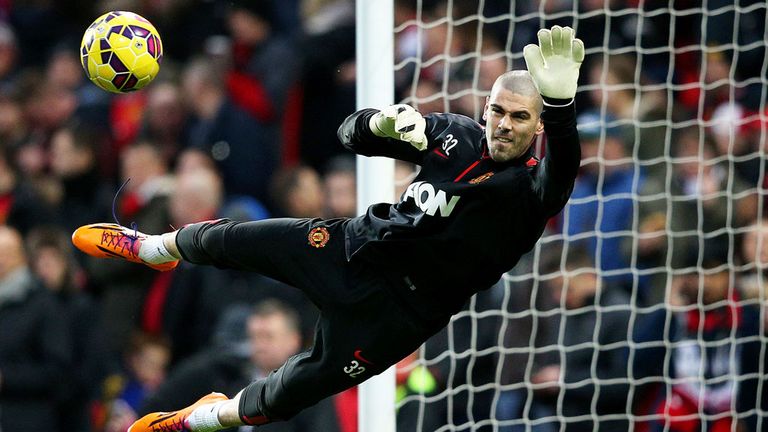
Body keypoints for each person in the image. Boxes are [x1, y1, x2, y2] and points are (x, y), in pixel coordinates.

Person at [72, 26, 585, 432]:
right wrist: (379, 125)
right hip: (352, 247)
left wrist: (561, 111)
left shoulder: (530, 192)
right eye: (497, 109)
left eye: (520, 117)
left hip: (397, 315)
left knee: (291, 392)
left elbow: (560, 172)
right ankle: (152, 247)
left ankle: (200, 419)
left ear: (537, 127)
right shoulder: (455, 133)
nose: (503, 123)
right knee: (240, 237)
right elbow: (350, 135)